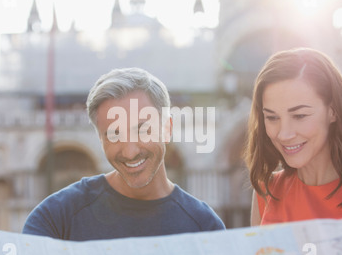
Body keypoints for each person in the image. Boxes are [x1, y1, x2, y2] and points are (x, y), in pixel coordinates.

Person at [23, 67, 225, 240]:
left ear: (167, 129)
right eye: (114, 134)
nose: (129, 152)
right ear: (100, 140)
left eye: (142, 130)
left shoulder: (205, 227)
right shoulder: (55, 219)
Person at [244, 47, 342, 226]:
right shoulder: (266, 192)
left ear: (333, 111)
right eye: (272, 118)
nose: (284, 134)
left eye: (300, 116)